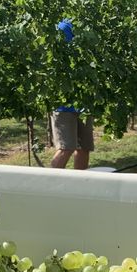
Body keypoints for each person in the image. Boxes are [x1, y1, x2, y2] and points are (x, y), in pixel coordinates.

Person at [50, 19, 94, 170]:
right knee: (65, 148)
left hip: (84, 102)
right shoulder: (62, 27)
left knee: (84, 147)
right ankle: (51, 188)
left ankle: (80, 187)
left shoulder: (89, 26)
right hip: (63, 105)